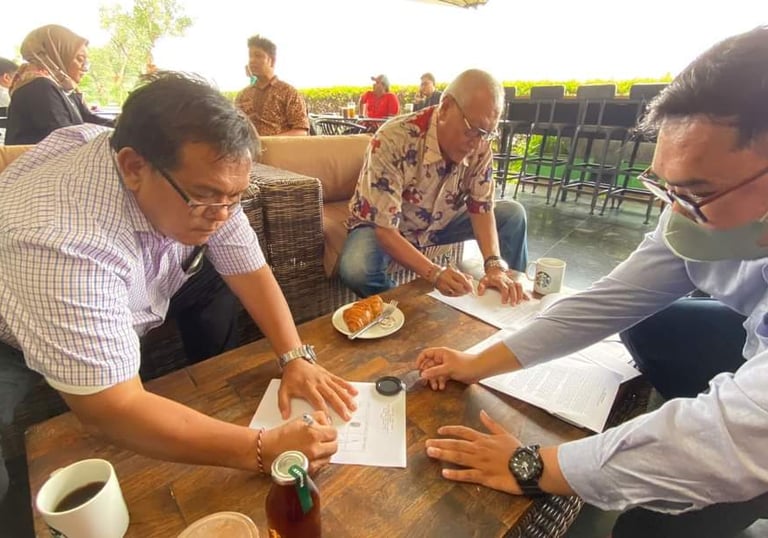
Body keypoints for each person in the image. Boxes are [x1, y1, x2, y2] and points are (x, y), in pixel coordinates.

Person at [417, 26, 768, 538]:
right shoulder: (689, 216)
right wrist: (477, 363)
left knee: (647, 529)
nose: (676, 215)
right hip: (751, 333)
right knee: (650, 325)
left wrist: (534, 466)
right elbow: (607, 301)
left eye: (698, 192)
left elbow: (741, 431)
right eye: (666, 188)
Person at [0, 72, 357, 506]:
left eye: (234, 198)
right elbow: (109, 411)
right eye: (206, 197)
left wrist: (294, 356)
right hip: (11, 330)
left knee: (215, 279)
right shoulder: (61, 243)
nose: (223, 214)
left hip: (132, 281)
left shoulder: (198, 179)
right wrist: (261, 449)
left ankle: (203, 403)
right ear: (134, 167)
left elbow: (248, 266)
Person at [340, 69, 528, 304]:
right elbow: (385, 230)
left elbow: (481, 206)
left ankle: (510, 301)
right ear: (445, 107)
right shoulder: (393, 138)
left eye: (487, 134)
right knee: (357, 269)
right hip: (386, 225)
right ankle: (409, 311)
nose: (477, 143)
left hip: (441, 220)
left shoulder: (480, 144)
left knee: (513, 214)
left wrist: (494, 265)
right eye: (472, 130)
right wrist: (435, 273)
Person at [5, 24, 113, 145]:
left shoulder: (63, 87)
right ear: (57, 55)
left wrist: (124, 125)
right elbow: (65, 138)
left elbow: (88, 119)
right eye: (79, 59)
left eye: (86, 61)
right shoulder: (39, 86)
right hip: (42, 157)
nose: (85, 68)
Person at [234, 34, 309, 136]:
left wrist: (270, 142)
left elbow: (301, 131)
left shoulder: (289, 93)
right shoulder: (243, 95)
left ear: (272, 61)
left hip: (280, 146)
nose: (252, 60)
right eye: (250, 56)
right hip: (248, 146)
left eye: (258, 56)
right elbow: (233, 128)